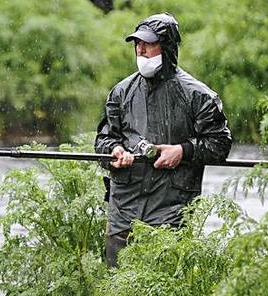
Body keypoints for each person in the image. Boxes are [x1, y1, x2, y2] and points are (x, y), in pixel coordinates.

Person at [94, 13, 233, 268]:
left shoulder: (198, 96)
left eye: (148, 43)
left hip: (171, 212)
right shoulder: (120, 92)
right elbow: (103, 139)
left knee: (163, 288)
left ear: (167, 47)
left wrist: (183, 150)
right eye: (137, 44)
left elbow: (220, 145)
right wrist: (114, 151)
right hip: (123, 210)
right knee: (115, 290)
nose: (141, 50)